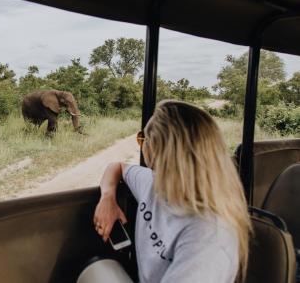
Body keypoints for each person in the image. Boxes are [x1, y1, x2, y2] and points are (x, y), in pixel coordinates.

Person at [94, 100, 251, 283]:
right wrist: (107, 198)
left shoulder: (208, 235)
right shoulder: (154, 182)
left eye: (143, 139)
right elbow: (117, 167)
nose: (142, 145)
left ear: (157, 151)